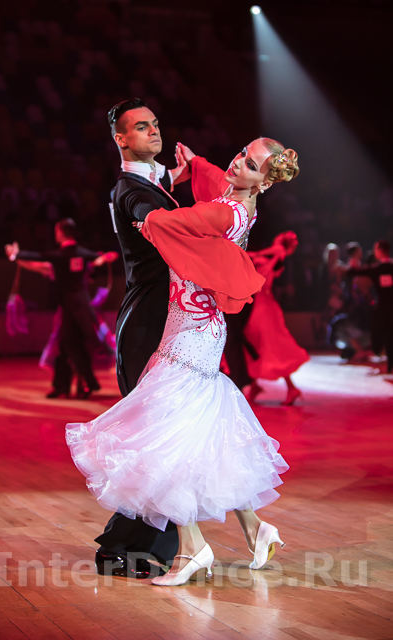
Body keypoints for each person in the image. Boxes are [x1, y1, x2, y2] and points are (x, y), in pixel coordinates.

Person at [66, 137, 300, 587]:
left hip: (192, 333)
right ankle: (255, 528)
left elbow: (177, 221)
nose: (238, 164)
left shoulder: (227, 212)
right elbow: (216, 183)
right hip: (195, 326)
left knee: (166, 431)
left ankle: (193, 548)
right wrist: (198, 165)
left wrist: (147, 221)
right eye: (241, 154)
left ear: (264, 182)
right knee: (198, 428)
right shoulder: (239, 202)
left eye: (250, 166)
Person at [92, 98, 191, 580]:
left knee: (171, 435)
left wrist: (180, 177)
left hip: (166, 318)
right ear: (121, 139)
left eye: (155, 124)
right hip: (148, 324)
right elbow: (158, 219)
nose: (154, 131)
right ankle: (122, 546)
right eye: (141, 127)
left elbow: (160, 187)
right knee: (157, 438)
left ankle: (152, 546)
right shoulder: (131, 191)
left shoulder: (153, 181)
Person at [5, 218, 115, 399]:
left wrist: (16, 255)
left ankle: (83, 383)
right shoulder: (82, 255)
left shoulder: (60, 256)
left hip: (72, 311)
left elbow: (37, 259)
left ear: (60, 232)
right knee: (67, 346)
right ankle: (69, 385)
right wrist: (104, 258)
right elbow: (103, 258)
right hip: (82, 310)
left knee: (69, 345)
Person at [15, 256, 118, 398]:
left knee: (76, 347)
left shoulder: (77, 264)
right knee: (64, 348)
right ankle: (68, 385)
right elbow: (36, 265)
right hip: (69, 313)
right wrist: (18, 258)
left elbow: (100, 259)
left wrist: (105, 257)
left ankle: (82, 383)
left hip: (81, 313)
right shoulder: (62, 266)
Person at [243, 232, 309, 406]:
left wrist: (246, 254)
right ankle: (255, 385)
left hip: (263, 307)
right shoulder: (272, 257)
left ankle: (291, 387)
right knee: (257, 344)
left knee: (269, 346)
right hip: (259, 304)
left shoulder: (276, 253)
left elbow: (266, 253)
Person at [348, 240, 393, 374]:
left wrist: (353, 266)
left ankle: (385, 358)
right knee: (389, 335)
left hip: (383, 308)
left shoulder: (377, 269)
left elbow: (355, 272)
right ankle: (388, 361)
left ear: (379, 251)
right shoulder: (381, 268)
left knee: (381, 332)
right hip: (387, 308)